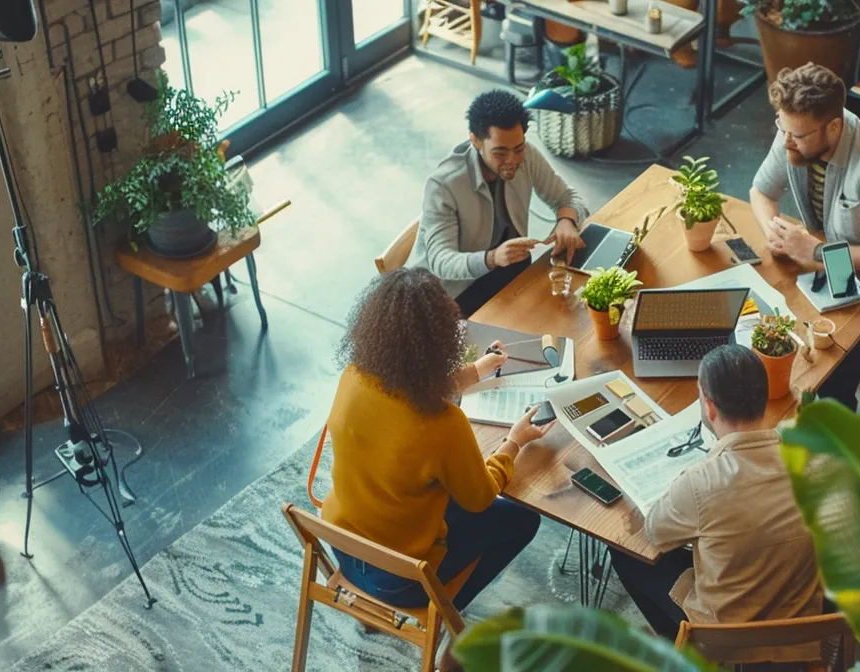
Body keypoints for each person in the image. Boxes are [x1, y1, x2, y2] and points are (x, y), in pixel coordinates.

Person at [319, 268, 549, 610]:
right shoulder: (442, 424)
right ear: (439, 341)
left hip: (343, 546)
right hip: (402, 580)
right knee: (523, 519)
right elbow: (480, 498)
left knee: (437, 487)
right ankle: (447, 613)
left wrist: (477, 370)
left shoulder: (354, 377)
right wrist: (512, 443)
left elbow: (408, 394)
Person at [609, 346, 823, 661]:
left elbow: (655, 532)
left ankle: (684, 655)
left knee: (628, 556)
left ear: (709, 407)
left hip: (731, 645)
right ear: (764, 399)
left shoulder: (700, 482)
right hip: (801, 633)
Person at [750, 62, 860, 409]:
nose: (785, 140)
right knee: (761, 331)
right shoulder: (792, 132)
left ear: (834, 127)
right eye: (783, 127)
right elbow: (761, 192)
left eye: (797, 135)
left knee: (830, 382)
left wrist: (817, 252)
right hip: (816, 253)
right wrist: (775, 233)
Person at [411, 90, 590, 316]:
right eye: (500, 152)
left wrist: (567, 220)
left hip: (507, 269)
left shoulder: (527, 156)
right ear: (475, 140)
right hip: (455, 294)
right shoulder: (444, 185)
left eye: (518, 148)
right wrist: (492, 258)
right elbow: (441, 261)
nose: (512, 160)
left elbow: (568, 197)